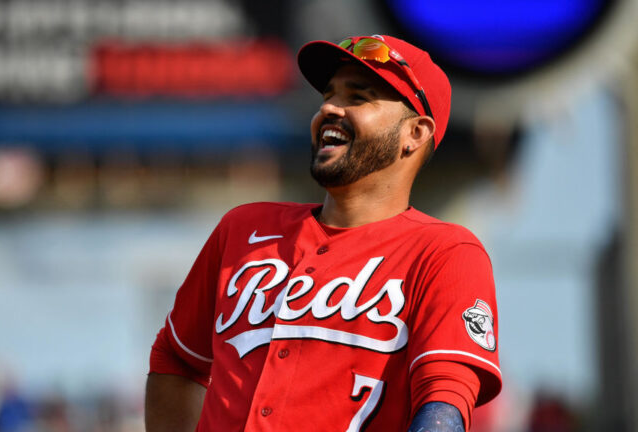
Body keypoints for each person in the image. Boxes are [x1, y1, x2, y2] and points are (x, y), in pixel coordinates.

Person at [145, 34, 501, 431]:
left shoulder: (445, 253)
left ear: (415, 133)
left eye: (358, 97)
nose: (330, 107)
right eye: (328, 95)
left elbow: (445, 403)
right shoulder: (242, 229)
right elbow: (177, 358)